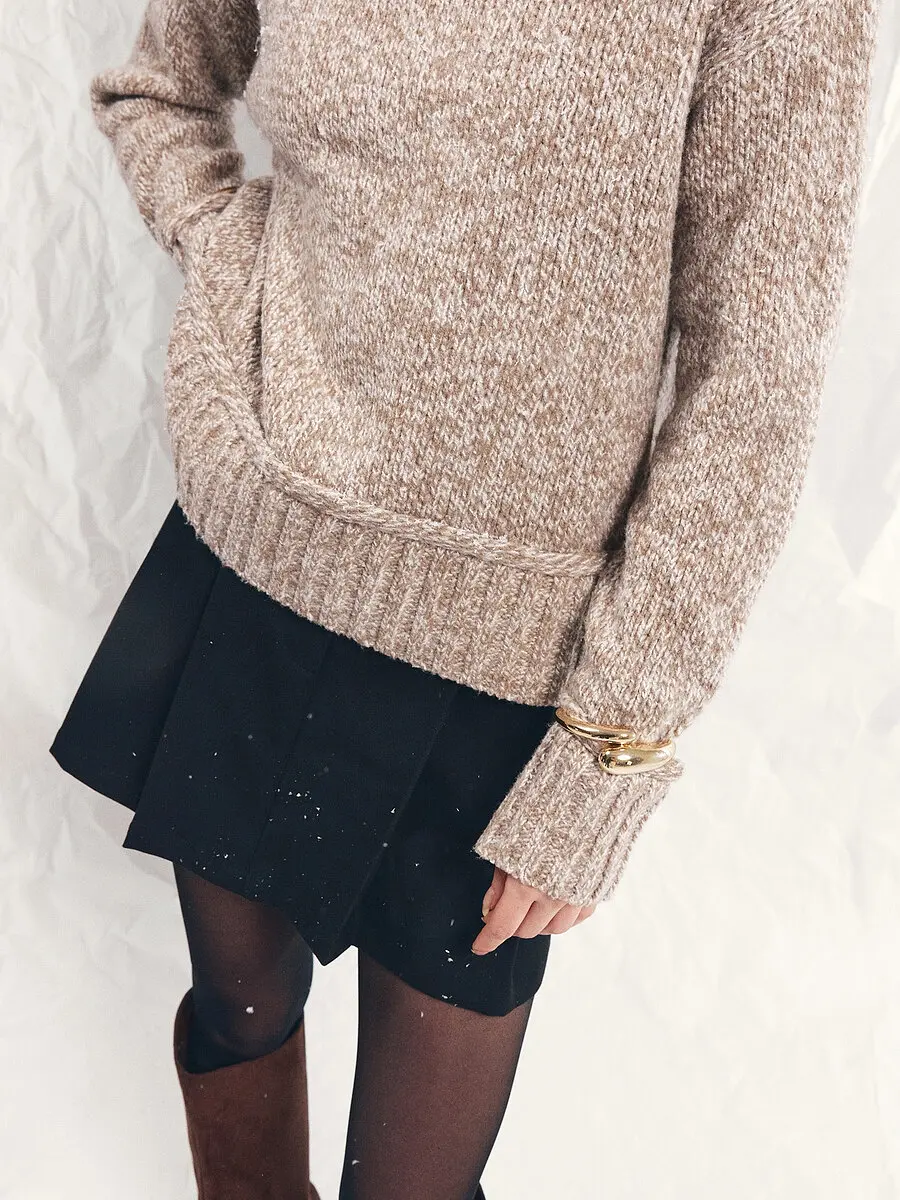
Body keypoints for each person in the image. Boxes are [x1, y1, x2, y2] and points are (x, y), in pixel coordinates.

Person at [50, 1, 879, 1196]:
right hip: (257, 561)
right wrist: (231, 255)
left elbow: (754, 378)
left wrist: (609, 752)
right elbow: (162, 88)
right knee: (242, 1011)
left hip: (508, 670)